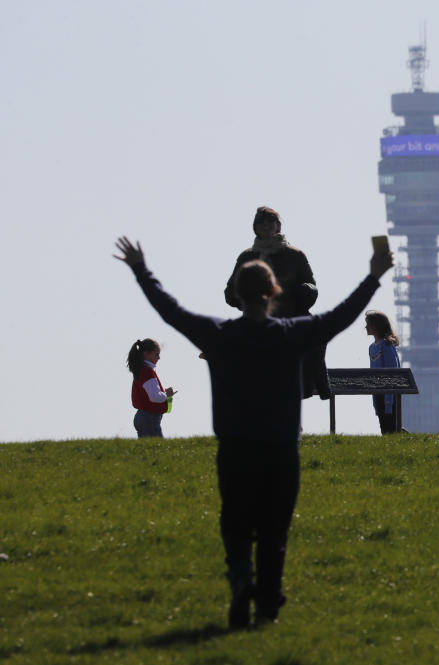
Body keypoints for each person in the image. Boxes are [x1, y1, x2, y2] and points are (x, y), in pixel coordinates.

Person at [114, 235, 393, 629]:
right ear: (274, 292)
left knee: (237, 526)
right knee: (274, 531)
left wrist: (142, 271)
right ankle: (265, 610)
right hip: (281, 448)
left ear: (237, 295)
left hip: (235, 447)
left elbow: (170, 311)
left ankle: (242, 581)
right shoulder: (293, 332)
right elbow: (342, 315)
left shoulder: (219, 334)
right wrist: (374, 276)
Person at [224, 206, 330, 399]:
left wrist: (305, 292)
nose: (266, 226)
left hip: (291, 317)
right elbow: (231, 289)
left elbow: (311, 285)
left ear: (278, 225)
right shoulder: (247, 257)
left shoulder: (295, 255)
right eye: (261, 222)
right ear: (255, 227)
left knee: (316, 340)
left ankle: (321, 386)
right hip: (258, 320)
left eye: (270, 221)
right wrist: (246, 302)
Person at [126, 338, 176, 438]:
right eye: (156, 354)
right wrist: (166, 395)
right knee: (158, 450)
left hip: (144, 416)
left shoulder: (141, 370)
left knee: (146, 450)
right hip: (149, 417)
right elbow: (154, 397)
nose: (159, 358)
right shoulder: (147, 372)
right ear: (146, 354)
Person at [365, 310, 401, 434]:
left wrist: (389, 401)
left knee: (390, 427)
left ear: (375, 326)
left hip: (389, 394)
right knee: (384, 428)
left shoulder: (386, 346)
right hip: (378, 393)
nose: (365, 327)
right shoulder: (372, 347)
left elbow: (393, 372)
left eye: (368, 324)